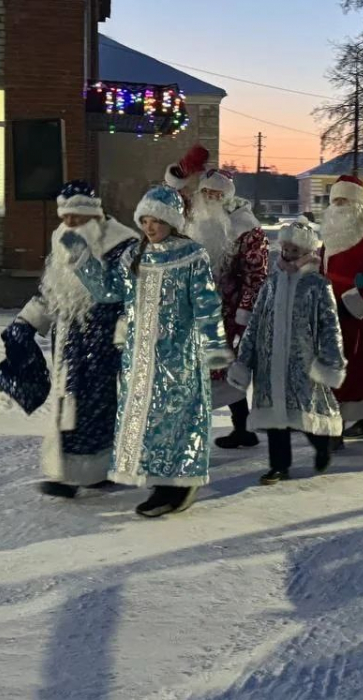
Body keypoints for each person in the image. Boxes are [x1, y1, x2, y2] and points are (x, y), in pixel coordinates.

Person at [72, 184, 230, 518]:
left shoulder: (191, 256)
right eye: (144, 221)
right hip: (140, 356)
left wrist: (214, 344)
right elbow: (110, 291)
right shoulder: (135, 255)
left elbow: (206, 304)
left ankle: (181, 483)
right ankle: (160, 483)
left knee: (177, 420)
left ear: (171, 221)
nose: (149, 227)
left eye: (156, 221)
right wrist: (84, 262)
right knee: (148, 422)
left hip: (179, 357)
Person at [0, 181, 137, 498]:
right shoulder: (64, 240)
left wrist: (124, 335)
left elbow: (122, 292)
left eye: (78, 217)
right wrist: (27, 321)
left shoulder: (122, 244)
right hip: (70, 340)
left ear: (94, 216)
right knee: (70, 405)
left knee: (93, 407)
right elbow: (51, 290)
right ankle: (79, 472)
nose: (70, 224)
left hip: (104, 340)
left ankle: (81, 474)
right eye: (66, 217)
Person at [229, 218, 347, 484]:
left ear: (307, 252)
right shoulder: (272, 282)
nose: (288, 254)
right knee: (275, 418)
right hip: (269, 362)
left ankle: (322, 444)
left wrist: (330, 360)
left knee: (304, 411)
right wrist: (245, 359)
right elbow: (256, 320)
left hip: (303, 363)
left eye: (295, 250)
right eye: (286, 248)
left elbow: (330, 325)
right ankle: (278, 466)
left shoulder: (317, 285)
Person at [166, 151, 270, 450]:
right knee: (194, 370)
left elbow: (257, 276)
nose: (210, 198)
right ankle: (231, 429)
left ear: (227, 197)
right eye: (207, 192)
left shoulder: (248, 231)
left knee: (224, 372)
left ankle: (231, 429)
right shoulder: (192, 218)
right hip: (192, 308)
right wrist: (179, 174)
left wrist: (244, 313)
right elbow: (165, 200)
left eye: (217, 194)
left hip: (228, 313)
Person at [320, 175, 363, 441]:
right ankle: (350, 418)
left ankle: (349, 420)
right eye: (336, 200)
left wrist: (356, 301)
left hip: (355, 311)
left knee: (354, 363)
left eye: (345, 200)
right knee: (331, 361)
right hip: (328, 308)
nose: (340, 206)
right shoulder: (331, 234)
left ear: (359, 203)